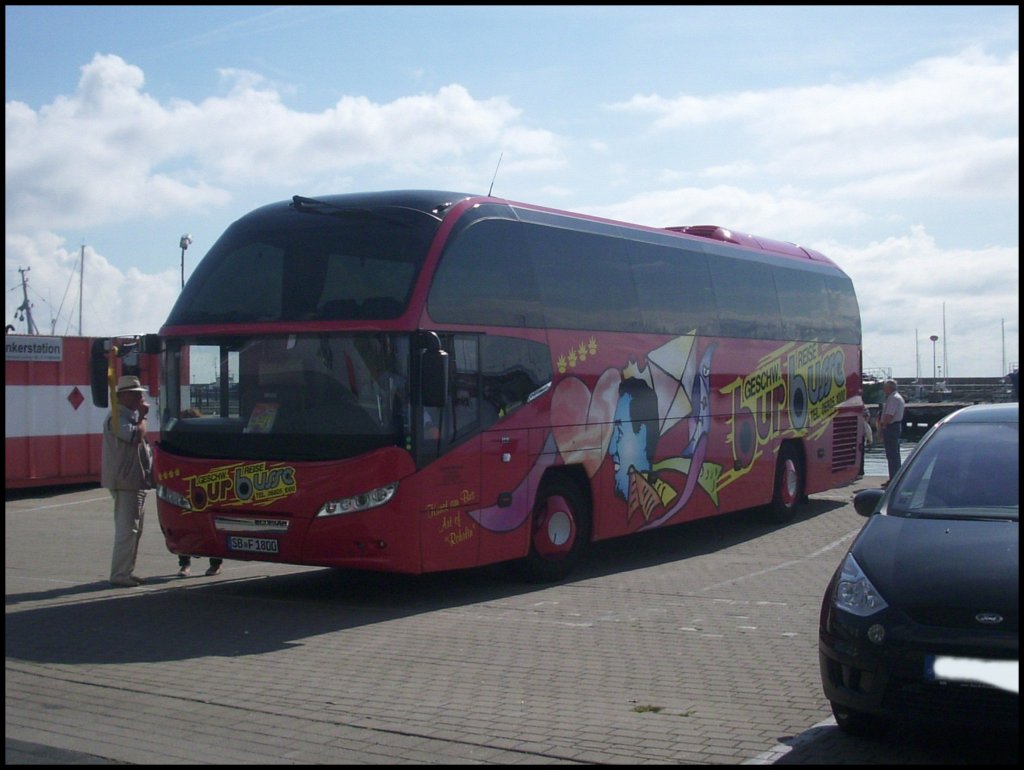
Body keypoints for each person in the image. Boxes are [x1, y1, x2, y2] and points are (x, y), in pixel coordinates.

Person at [101, 375, 154, 587]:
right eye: (135, 394)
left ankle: (126, 571)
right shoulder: (118, 417)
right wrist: (143, 417)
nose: (139, 397)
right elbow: (135, 437)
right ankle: (120, 574)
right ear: (122, 396)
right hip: (125, 480)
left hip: (133, 479)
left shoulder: (126, 415)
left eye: (139, 394)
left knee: (135, 529)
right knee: (127, 529)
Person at [176, 407, 223, 577]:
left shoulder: (206, 439)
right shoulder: (179, 439)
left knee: (208, 525)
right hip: (187, 486)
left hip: (206, 486)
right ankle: (185, 563)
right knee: (185, 523)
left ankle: (215, 563)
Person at [878, 378, 906, 484]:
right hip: (895, 426)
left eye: (885, 388)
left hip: (891, 427)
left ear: (889, 388)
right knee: (893, 453)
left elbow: (889, 415)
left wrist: (883, 426)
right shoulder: (896, 397)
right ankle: (895, 477)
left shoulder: (893, 398)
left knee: (892, 454)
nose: (884, 390)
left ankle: (894, 479)